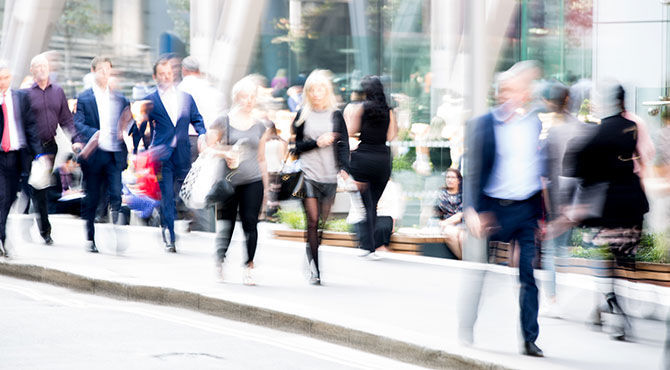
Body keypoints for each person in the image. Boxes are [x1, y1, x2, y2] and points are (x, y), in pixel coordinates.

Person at [461, 61, 544, 357]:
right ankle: (467, 324)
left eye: (519, 90)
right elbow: (472, 172)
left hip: (525, 210)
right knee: (483, 272)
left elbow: (535, 171)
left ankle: (529, 338)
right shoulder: (482, 125)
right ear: (499, 93)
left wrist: (542, 215)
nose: (513, 95)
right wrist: (471, 210)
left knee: (527, 276)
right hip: (493, 210)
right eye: (507, 89)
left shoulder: (532, 124)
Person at [564, 80, 649, 341]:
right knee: (625, 260)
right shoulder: (632, 128)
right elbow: (643, 158)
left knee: (606, 261)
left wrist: (579, 199)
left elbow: (577, 165)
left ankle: (612, 306)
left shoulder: (598, 132)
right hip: (633, 201)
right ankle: (610, 309)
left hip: (610, 204)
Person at [207, 76, 269, 285]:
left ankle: (249, 266)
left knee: (251, 224)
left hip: (253, 180)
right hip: (228, 181)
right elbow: (208, 147)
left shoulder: (260, 126)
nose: (248, 101)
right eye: (244, 96)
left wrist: (267, 188)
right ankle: (219, 263)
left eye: (252, 97)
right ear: (236, 97)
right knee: (227, 224)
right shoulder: (222, 120)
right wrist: (226, 153)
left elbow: (261, 158)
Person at [141, 56, 206, 253]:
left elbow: (197, 119)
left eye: (169, 73)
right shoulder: (150, 100)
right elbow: (141, 127)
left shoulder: (186, 97)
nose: (166, 77)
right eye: (162, 74)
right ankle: (169, 234)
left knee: (180, 194)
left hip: (183, 153)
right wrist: (146, 149)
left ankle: (162, 214)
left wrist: (203, 134)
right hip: (162, 156)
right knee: (167, 195)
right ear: (155, 76)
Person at [290, 69, 350, 285]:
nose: (316, 94)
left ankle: (311, 252)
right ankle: (316, 270)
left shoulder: (336, 115)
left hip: (329, 176)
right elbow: (295, 147)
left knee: (322, 224)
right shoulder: (302, 115)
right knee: (313, 222)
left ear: (327, 91)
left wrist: (345, 169)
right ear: (307, 92)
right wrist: (317, 142)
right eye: (312, 90)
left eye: (320, 89)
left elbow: (343, 144)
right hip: (309, 174)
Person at [73, 57, 131, 253]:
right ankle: (90, 238)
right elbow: (78, 123)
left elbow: (129, 121)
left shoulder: (120, 98)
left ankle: (117, 229)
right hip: (95, 155)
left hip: (114, 155)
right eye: (101, 70)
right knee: (92, 197)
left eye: (108, 70)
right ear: (93, 71)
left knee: (116, 193)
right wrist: (95, 134)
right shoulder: (85, 98)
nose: (105, 74)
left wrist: (125, 132)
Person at [25, 53, 83, 245]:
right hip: (33, 147)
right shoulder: (27, 94)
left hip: (50, 146)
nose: (42, 70)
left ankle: (40, 220)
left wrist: (75, 138)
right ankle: (44, 229)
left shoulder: (57, 91)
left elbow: (66, 118)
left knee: (40, 187)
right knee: (38, 188)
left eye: (44, 66)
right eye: (38, 67)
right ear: (32, 71)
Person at [345, 76, 397, 259]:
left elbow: (350, 131)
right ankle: (371, 246)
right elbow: (391, 136)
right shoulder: (389, 111)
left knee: (367, 205)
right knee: (373, 204)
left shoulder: (361, 108)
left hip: (364, 159)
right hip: (382, 160)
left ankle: (367, 245)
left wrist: (363, 133)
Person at [0, 62, 42, 257]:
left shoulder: (20, 98)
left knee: (9, 198)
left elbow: (31, 126)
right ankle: (2, 238)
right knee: (2, 197)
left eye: (6, 77)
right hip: (0, 155)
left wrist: (39, 153)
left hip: (17, 156)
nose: (3, 82)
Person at [434, 168, 464, 259]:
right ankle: (462, 260)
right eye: (447, 177)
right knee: (450, 232)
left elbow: (460, 215)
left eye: (452, 177)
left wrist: (444, 223)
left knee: (462, 236)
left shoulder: (463, 194)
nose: (449, 180)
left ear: (459, 180)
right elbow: (435, 212)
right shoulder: (440, 194)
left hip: (462, 224)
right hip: (447, 226)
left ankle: (464, 261)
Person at [264, 123, 287, 221]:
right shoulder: (279, 142)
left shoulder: (263, 142)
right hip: (275, 169)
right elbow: (281, 157)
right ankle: (272, 215)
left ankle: (266, 214)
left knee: (267, 192)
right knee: (274, 193)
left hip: (266, 169)